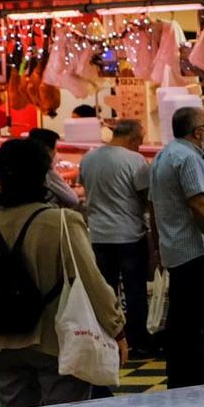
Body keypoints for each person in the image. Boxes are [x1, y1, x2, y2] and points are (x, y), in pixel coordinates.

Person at [0, 139, 121, 407]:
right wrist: (116, 326)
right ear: (43, 175)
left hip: (0, 343)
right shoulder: (61, 222)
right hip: (55, 341)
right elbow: (90, 281)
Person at [149, 106, 204, 389]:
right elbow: (198, 204)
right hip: (196, 252)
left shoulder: (163, 156)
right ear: (198, 132)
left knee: (181, 321)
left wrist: (156, 246)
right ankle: (192, 382)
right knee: (196, 323)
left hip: (176, 250)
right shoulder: (188, 158)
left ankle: (180, 379)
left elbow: (153, 206)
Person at [80, 118, 155, 354]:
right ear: (133, 138)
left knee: (105, 290)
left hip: (99, 234)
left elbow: (85, 187)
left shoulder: (89, 158)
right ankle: (137, 340)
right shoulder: (134, 160)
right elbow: (146, 198)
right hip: (129, 234)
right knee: (135, 291)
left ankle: (107, 337)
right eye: (140, 141)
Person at [25, 127, 82, 211]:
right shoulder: (47, 171)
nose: (56, 153)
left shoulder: (22, 166)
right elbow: (73, 199)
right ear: (47, 150)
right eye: (55, 148)